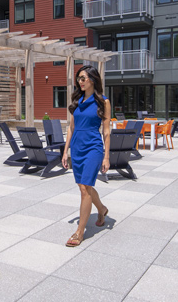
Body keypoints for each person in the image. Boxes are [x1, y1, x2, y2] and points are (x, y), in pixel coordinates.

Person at [62, 65, 110, 247]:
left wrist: (106, 157)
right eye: (78, 79)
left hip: (93, 148)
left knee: (85, 189)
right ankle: (102, 209)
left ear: (92, 79)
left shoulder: (103, 102)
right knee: (84, 186)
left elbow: (106, 131)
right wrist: (66, 151)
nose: (80, 82)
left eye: (83, 78)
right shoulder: (78, 102)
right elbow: (71, 128)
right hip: (77, 148)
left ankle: (79, 231)